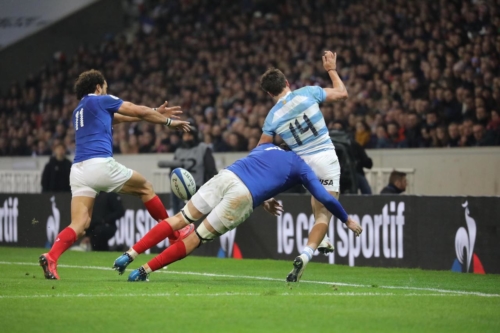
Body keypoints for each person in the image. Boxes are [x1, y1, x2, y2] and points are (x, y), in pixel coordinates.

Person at [113, 144, 362, 282]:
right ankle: (143, 271)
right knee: (195, 238)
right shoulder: (302, 166)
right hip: (242, 196)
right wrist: (346, 219)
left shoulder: (266, 147)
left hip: (227, 176)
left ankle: (130, 254)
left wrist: (266, 199)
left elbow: (263, 173)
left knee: (178, 219)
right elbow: (323, 196)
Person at [38, 69, 191, 280]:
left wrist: (154, 110)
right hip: (99, 165)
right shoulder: (102, 100)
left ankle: (52, 256)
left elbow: (121, 118)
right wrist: (167, 122)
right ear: (98, 87)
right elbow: (136, 110)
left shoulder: (79, 111)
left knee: (80, 224)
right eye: (106, 87)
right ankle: (174, 234)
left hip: (79, 171)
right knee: (145, 187)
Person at [257, 50, 348, 273]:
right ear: (287, 82)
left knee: (315, 200)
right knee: (324, 214)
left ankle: (323, 241)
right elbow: (342, 94)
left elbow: (262, 149)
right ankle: (307, 253)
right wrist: (331, 70)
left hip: (302, 165)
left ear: (269, 93)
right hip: (326, 158)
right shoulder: (308, 93)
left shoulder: (272, 117)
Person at [170, 124, 218, 214]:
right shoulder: (178, 151)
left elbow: (211, 170)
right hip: (181, 189)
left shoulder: (203, 148)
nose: (187, 138)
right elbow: (173, 172)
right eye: (185, 135)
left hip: (199, 188)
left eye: (189, 135)